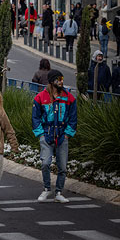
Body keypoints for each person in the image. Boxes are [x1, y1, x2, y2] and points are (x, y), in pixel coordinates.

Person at [32, 69, 76, 203]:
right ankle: (46, 188)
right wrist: (41, 135)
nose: (61, 82)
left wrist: (67, 134)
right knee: (45, 163)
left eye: (62, 79)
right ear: (52, 81)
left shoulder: (69, 97)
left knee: (62, 167)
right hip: (47, 135)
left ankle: (58, 192)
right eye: (58, 79)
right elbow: (35, 118)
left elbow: (73, 118)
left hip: (62, 136)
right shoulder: (40, 97)